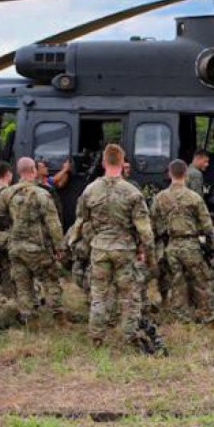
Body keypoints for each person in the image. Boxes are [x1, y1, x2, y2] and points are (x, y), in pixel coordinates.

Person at [75, 143, 155, 347]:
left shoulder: (89, 191)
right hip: (124, 249)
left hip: (100, 248)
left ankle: (96, 338)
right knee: (129, 296)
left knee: (99, 294)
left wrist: (80, 247)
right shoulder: (132, 192)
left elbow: (81, 221)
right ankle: (129, 337)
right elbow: (145, 231)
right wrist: (150, 257)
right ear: (122, 162)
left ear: (103, 162)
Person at [0, 156, 64, 323]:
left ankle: (29, 320)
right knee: (51, 280)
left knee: (23, 285)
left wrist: (11, 226)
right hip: (37, 248)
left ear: (18, 173)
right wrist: (59, 247)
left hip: (15, 248)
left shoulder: (7, 194)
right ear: (33, 171)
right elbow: (53, 224)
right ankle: (58, 317)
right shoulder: (42, 194)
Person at [151, 159, 214, 323]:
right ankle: (205, 313)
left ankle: (181, 315)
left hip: (172, 245)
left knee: (177, 281)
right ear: (186, 174)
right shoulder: (194, 197)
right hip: (191, 245)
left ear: (169, 173)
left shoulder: (160, 198)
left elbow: (153, 223)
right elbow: (207, 225)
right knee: (200, 280)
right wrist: (210, 243)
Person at [0, 161, 13, 295]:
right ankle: (7, 297)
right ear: (8, 174)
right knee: (7, 268)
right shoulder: (8, 193)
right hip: (4, 237)